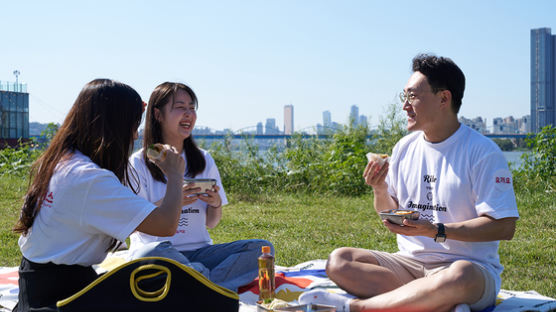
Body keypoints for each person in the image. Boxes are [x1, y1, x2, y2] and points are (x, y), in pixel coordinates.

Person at [299, 54, 519, 312]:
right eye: (404, 96)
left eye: (413, 96)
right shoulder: (404, 148)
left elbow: (504, 227)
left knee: (460, 276)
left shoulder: (482, 152)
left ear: (443, 99)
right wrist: (379, 188)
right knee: (340, 261)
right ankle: (436, 304)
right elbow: (390, 214)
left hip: (467, 268)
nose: (405, 105)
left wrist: (436, 230)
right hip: (409, 265)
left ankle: (358, 308)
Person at [12, 79, 186, 312]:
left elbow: (112, 214)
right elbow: (166, 225)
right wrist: (175, 175)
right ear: (114, 126)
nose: (134, 135)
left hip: (37, 285)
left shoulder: (62, 161)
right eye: (132, 125)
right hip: (60, 297)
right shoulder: (89, 180)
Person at [127, 82, 273, 292]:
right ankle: (211, 285)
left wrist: (215, 204)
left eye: (192, 108)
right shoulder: (139, 162)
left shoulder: (204, 159)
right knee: (147, 255)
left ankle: (199, 285)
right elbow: (134, 221)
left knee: (261, 249)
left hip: (201, 253)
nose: (188, 114)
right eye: (180, 107)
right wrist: (172, 199)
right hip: (160, 251)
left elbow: (212, 223)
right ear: (158, 115)